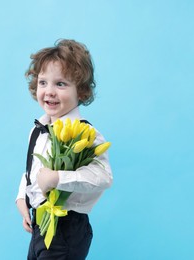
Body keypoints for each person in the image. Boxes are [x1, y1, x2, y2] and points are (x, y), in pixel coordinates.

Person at [16, 39, 113, 260]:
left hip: (68, 229)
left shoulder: (86, 134)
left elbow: (103, 177)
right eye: (43, 82)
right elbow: (31, 171)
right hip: (40, 224)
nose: (49, 91)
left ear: (81, 90)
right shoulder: (37, 130)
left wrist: (58, 178)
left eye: (60, 84)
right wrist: (23, 199)